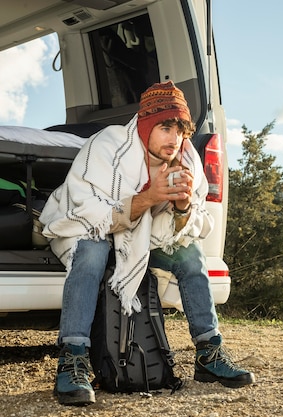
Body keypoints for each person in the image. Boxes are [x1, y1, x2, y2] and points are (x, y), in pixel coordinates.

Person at [40, 81, 255, 406]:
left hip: (140, 237)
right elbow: (85, 211)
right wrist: (148, 197)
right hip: (89, 227)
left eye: (181, 130)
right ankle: (73, 359)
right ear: (145, 124)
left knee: (189, 254)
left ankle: (209, 352)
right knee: (91, 253)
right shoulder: (108, 146)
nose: (175, 138)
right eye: (165, 127)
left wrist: (182, 209)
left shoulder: (188, 159)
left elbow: (196, 227)